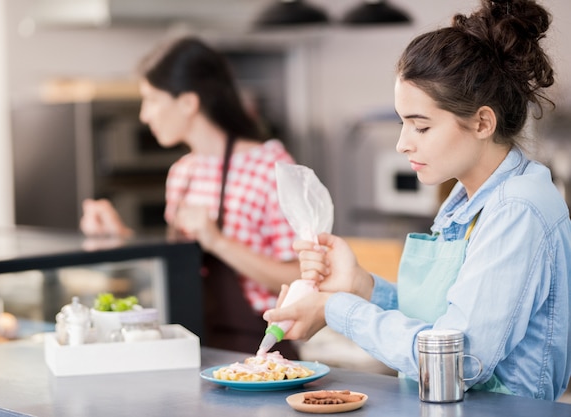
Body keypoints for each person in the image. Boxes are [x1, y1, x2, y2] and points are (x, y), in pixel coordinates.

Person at [263, 0, 571, 401]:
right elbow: (444, 319)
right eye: (402, 122)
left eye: (420, 127)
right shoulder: (466, 200)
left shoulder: (518, 209)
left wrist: (335, 308)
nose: (402, 144)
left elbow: (458, 359)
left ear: (482, 122)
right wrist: (362, 285)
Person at [79, 36, 301, 358]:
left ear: (188, 102)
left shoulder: (271, 167)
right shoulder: (182, 173)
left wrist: (217, 241)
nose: (144, 115)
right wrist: (117, 239)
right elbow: (180, 270)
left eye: (152, 100)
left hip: (262, 353)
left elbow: (298, 278)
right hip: (195, 346)